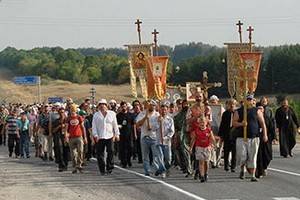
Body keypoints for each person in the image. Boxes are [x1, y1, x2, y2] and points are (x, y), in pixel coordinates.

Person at [233, 94, 268, 182]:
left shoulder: (257, 111)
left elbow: (263, 124)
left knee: (253, 156)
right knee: (242, 156)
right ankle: (242, 170)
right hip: (241, 137)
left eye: (251, 99)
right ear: (244, 101)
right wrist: (241, 124)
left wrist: (265, 135)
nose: (249, 101)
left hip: (254, 137)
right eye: (247, 99)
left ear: (253, 101)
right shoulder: (238, 111)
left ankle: (253, 175)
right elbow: (234, 123)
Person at [92, 99, 120, 175]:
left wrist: (117, 134)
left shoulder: (112, 114)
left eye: (104, 104)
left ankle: (109, 167)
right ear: (98, 106)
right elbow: (94, 126)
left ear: (106, 105)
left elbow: (115, 125)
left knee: (111, 151)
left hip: (109, 135)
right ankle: (102, 169)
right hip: (100, 136)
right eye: (100, 105)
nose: (102, 106)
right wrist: (95, 135)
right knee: (99, 154)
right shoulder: (96, 115)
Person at [136, 99, 160, 176]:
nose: (151, 106)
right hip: (144, 137)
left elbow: (158, 126)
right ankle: (147, 171)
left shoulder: (157, 115)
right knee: (145, 156)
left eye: (153, 105)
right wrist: (145, 117)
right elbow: (138, 124)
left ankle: (157, 169)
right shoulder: (142, 114)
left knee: (155, 155)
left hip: (154, 137)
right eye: (149, 105)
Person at [189, 115, 215, 182]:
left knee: (206, 162)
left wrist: (213, 145)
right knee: (201, 161)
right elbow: (193, 140)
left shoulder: (208, 130)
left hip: (207, 147)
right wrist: (191, 148)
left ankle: (206, 173)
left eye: (203, 122)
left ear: (206, 123)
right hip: (199, 147)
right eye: (200, 122)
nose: (202, 124)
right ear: (199, 123)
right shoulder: (196, 131)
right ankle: (202, 175)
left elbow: (212, 138)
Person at [153, 103, 175, 178]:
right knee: (160, 158)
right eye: (162, 110)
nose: (163, 111)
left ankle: (163, 169)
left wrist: (166, 137)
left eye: (165, 110)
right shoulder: (156, 119)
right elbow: (153, 128)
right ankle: (162, 172)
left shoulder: (170, 119)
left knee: (168, 159)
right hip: (158, 141)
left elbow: (172, 131)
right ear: (159, 110)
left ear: (167, 110)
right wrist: (158, 122)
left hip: (166, 142)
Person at [65, 104, 87, 174]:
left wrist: (85, 137)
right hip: (71, 137)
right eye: (71, 109)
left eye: (74, 109)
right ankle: (74, 166)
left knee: (80, 151)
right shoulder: (68, 118)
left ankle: (79, 165)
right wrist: (66, 137)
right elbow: (66, 129)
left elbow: (83, 127)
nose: (72, 111)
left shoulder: (79, 117)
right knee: (73, 153)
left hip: (79, 136)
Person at [218, 99, 237, 172]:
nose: (232, 105)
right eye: (230, 104)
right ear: (228, 105)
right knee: (226, 151)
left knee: (234, 151)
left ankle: (233, 166)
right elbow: (222, 124)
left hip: (234, 135)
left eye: (233, 104)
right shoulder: (225, 113)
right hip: (227, 134)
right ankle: (226, 165)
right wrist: (221, 135)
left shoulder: (237, 113)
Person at [117, 101, 133, 168]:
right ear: (121, 107)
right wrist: (119, 126)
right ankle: (124, 162)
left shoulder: (130, 115)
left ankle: (129, 160)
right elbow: (116, 124)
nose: (124, 107)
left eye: (125, 106)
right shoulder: (118, 115)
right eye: (122, 106)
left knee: (130, 148)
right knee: (123, 149)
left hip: (129, 134)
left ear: (127, 107)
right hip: (122, 134)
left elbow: (133, 124)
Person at [52, 107, 69, 172]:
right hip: (58, 137)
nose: (62, 113)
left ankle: (66, 164)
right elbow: (53, 130)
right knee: (59, 150)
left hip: (66, 137)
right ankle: (61, 165)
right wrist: (59, 126)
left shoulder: (67, 120)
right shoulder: (56, 121)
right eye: (60, 112)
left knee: (66, 150)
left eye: (63, 112)